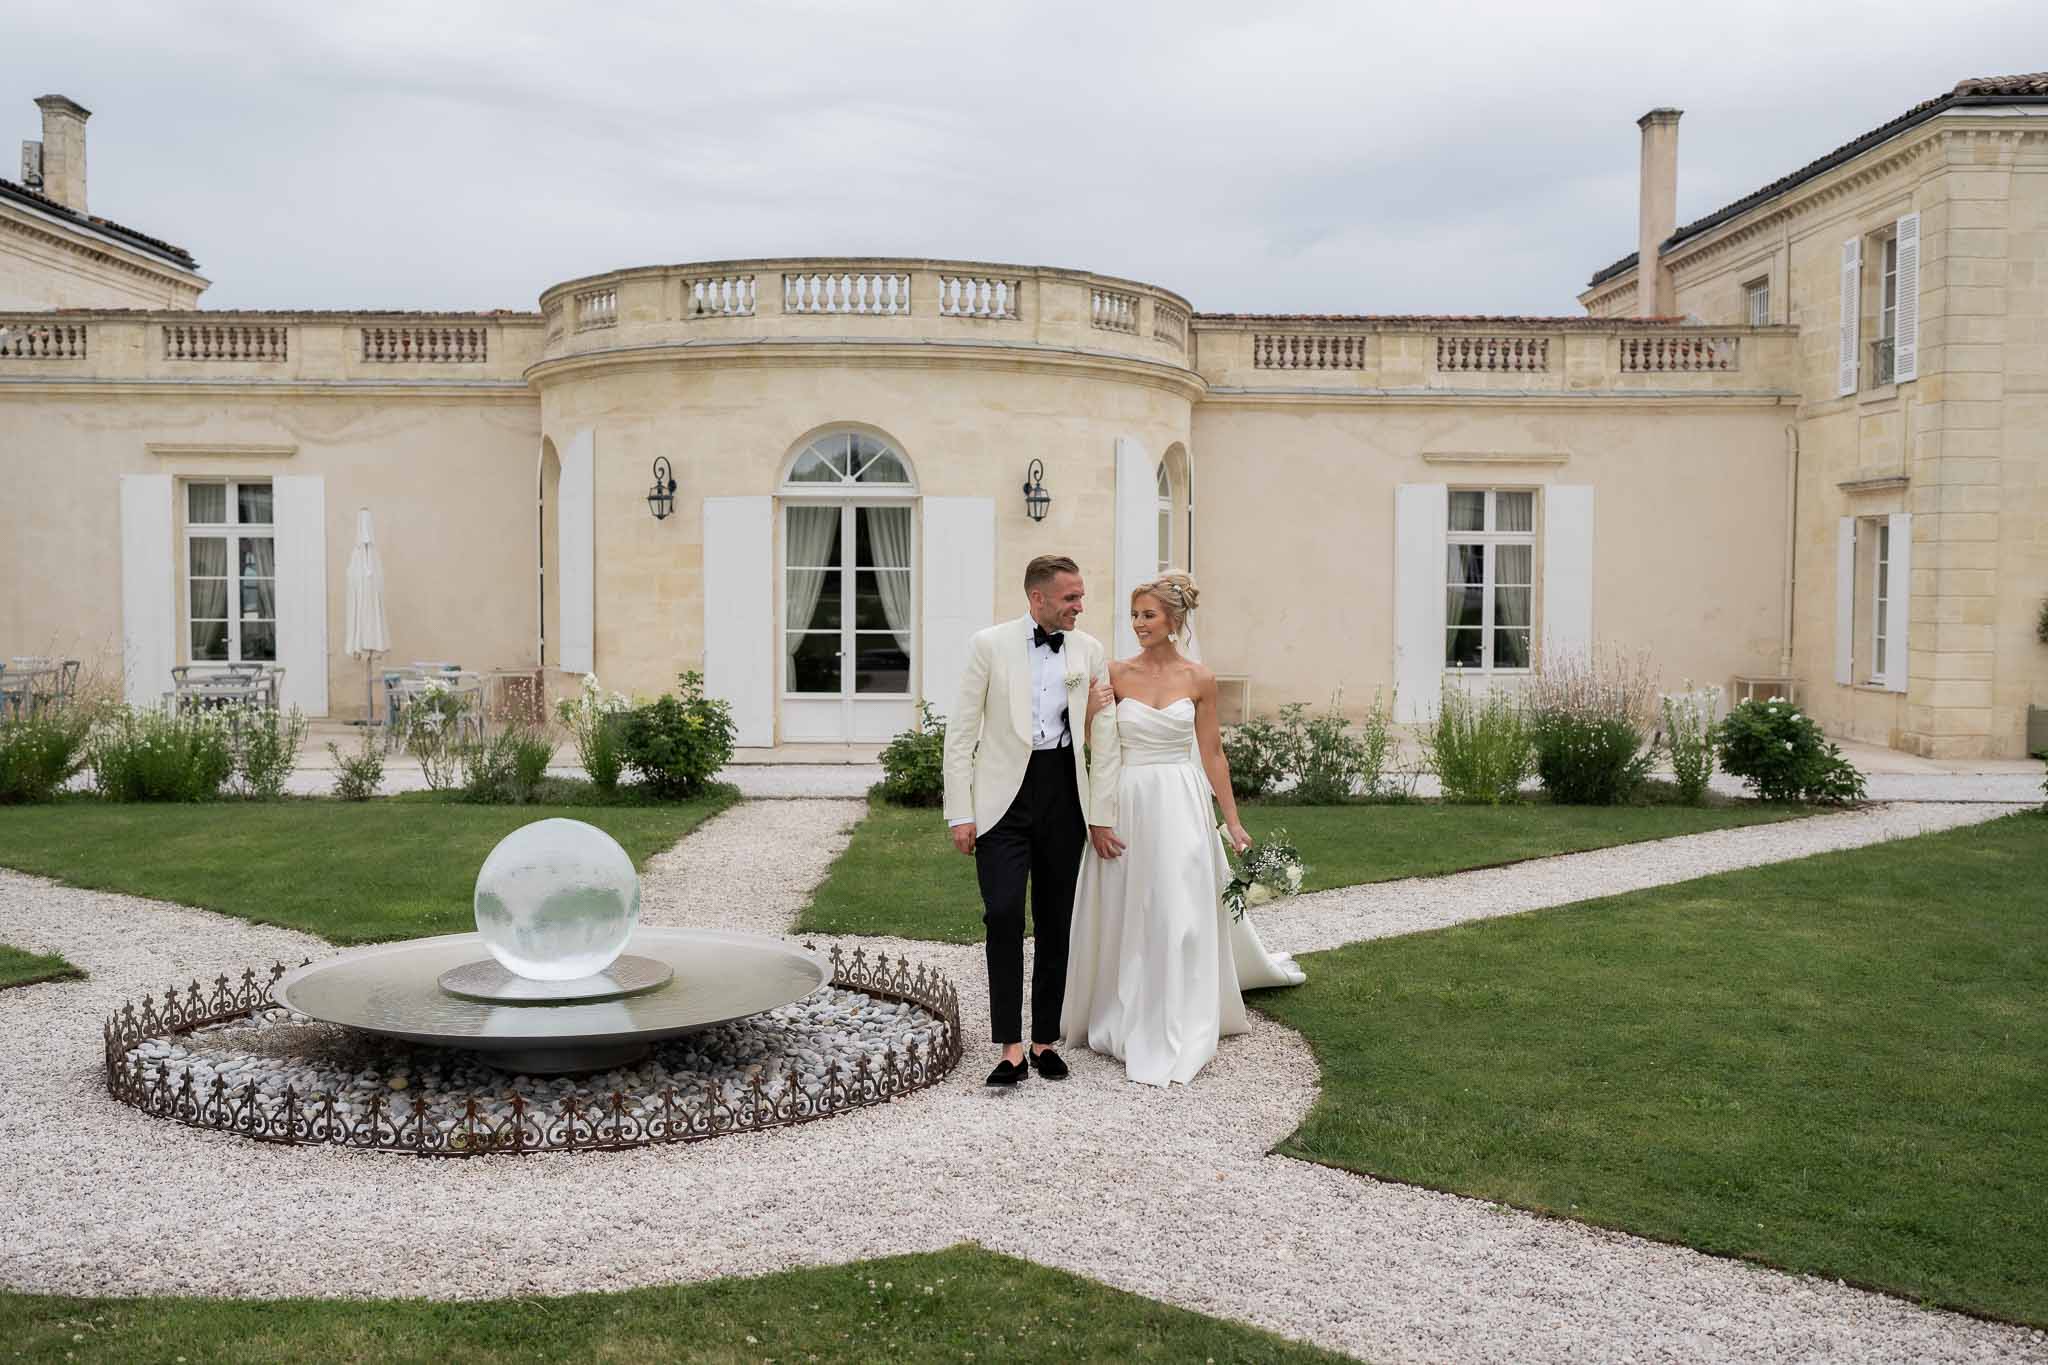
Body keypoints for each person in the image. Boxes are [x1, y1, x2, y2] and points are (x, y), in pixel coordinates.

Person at [1060, 573, 1305, 1087]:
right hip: (1128, 799)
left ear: (1174, 620)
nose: (1139, 624)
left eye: (1148, 615)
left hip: (1180, 800)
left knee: (1177, 903)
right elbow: (1092, 743)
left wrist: (1233, 821)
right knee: (1132, 900)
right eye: (1134, 615)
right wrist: (1090, 713)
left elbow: (1212, 752)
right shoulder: (1115, 672)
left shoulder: (1199, 678)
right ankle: (1124, 1005)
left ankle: (1179, 1008)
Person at [942, 555, 1123, 1086]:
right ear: (1037, 598)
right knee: (1002, 914)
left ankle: (1043, 1040)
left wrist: (1102, 815)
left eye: (1081, 596)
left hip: (1064, 796)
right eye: (1070, 598)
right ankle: (1009, 1046)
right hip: (1002, 800)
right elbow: (961, 733)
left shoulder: (1088, 651)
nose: (1080, 606)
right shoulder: (989, 645)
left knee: (1055, 920)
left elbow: (1105, 740)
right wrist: (961, 811)